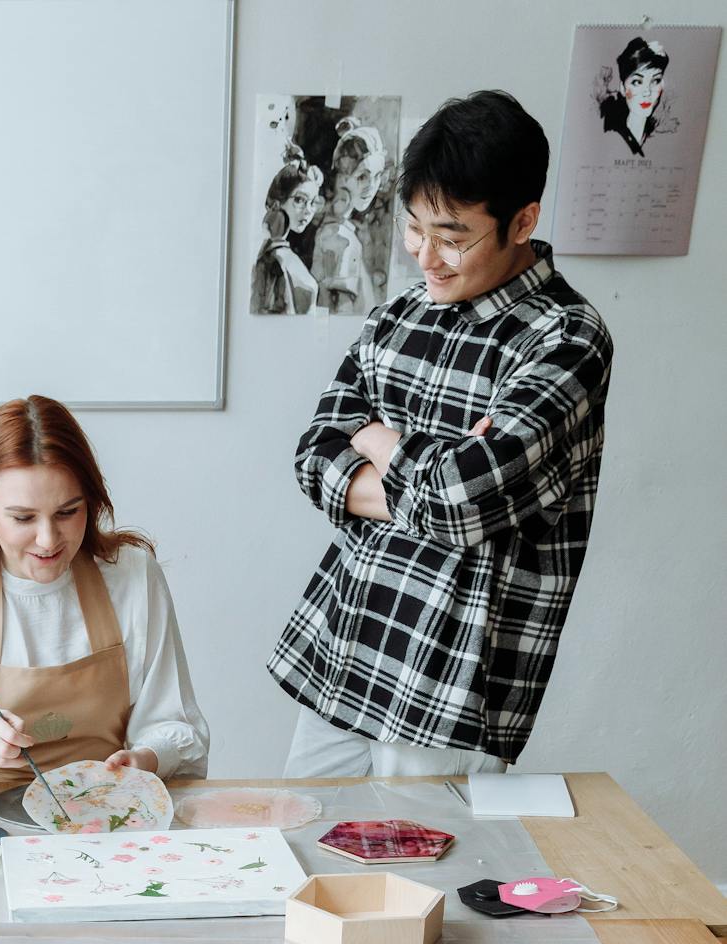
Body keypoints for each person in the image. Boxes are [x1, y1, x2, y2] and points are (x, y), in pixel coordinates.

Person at [269, 90, 614, 778]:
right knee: (303, 853)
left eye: (452, 237)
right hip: (346, 642)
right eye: (414, 229)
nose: (425, 256)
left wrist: (376, 440)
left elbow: (460, 501)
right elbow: (313, 457)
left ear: (522, 221)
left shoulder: (567, 339)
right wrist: (425, 466)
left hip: (451, 679)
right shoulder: (399, 315)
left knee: (426, 876)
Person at [0, 396, 208, 800]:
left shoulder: (132, 576)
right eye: (23, 518)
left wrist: (147, 758)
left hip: (110, 812)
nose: (48, 540)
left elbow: (174, 722)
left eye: (68, 512)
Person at [310, 119, 389, 316]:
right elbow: (339, 313)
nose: (372, 186)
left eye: (377, 176)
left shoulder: (341, 230)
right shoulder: (339, 238)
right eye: (362, 176)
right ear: (342, 179)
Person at [251, 149, 322, 315]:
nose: (308, 211)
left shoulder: (281, 254)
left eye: (313, 203)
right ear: (277, 202)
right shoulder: (276, 258)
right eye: (299, 200)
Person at [600, 37, 669, 156]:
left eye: (655, 81)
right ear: (623, 88)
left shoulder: (659, 135)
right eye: (637, 82)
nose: (647, 92)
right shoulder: (610, 134)